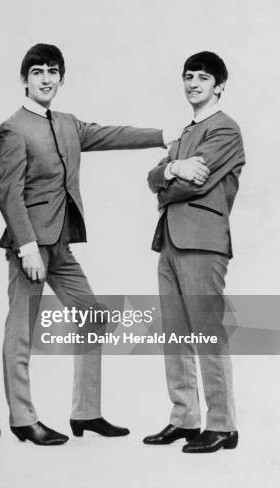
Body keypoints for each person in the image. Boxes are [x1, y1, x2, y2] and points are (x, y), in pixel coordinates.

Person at [0, 43, 171, 445]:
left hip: (61, 246)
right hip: (30, 248)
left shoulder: (68, 123)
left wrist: (163, 136)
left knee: (92, 315)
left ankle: (86, 413)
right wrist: (27, 248)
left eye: (52, 71)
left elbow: (111, 134)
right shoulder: (13, 127)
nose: (45, 78)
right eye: (37, 71)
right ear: (25, 80)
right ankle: (23, 419)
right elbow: (8, 194)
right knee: (21, 330)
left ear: (61, 78)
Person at [143, 51, 244, 453]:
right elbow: (154, 177)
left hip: (203, 242)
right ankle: (184, 418)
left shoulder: (225, 130)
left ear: (218, 85)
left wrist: (171, 176)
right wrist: (170, 169)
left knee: (207, 332)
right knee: (174, 334)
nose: (193, 83)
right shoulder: (185, 133)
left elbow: (195, 184)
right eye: (188, 76)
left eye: (202, 77)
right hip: (168, 240)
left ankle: (222, 424)